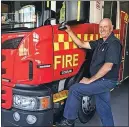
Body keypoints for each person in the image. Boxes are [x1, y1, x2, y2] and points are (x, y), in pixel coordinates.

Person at [56, 18, 122, 127]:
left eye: (105, 27)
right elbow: (81, 44)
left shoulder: (113, 44)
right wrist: (69, 31)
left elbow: (108, 67)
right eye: (100, 27)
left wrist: (90, 80)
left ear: (111, 28)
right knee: (103, 109)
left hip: (106, 81)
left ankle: (69, 121)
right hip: (102, 80)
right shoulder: (100, 42)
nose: (102, 29)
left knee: (75, 89)